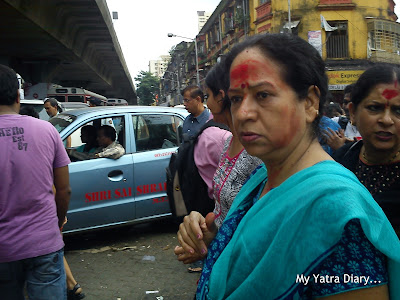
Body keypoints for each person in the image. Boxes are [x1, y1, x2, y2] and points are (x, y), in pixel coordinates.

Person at [177, 34, 400, 299]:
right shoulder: (261, 178)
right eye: (236, 99)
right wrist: (212, 233)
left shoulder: (336, 215)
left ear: (309, 102)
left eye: (263, 95)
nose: (244, 113)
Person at [0, 64, 71, 299]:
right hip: (43, 242)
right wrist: (58, 221)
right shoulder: (47, 130)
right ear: (18, 97)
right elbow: (63, 190)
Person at [333, 63, 400, 238]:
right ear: (353, 113)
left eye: (398, 111)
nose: (386, 120)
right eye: (374, 108)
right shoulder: (340, 162)